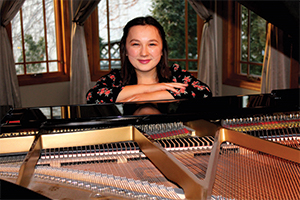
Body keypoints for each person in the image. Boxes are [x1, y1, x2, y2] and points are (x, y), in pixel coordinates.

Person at [86, 16, 211, 104]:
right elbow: (93, 97)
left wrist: (145, 97)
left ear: (162, 50)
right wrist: (151, 88)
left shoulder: (176, 74)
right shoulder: (114, 79)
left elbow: (204, 93)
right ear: (125, 50)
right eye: (136, 44)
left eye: (152, 44)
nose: (144, 53)